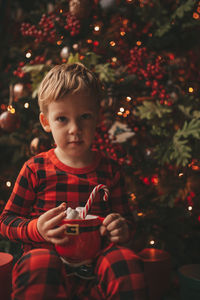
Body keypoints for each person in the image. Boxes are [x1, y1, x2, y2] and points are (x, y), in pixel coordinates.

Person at [0, 63, 146, 300]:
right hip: (47, 257)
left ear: (97, 117)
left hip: (98, 260)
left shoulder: (110, 170)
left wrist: (121, 228)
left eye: (84, 117)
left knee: (125, 263)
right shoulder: (35, 169)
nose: (75, 129)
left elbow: (126, 221)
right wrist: (35, 228)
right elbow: (6, 222)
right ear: (46, 122)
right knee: (38, 264)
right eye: (62, 119)